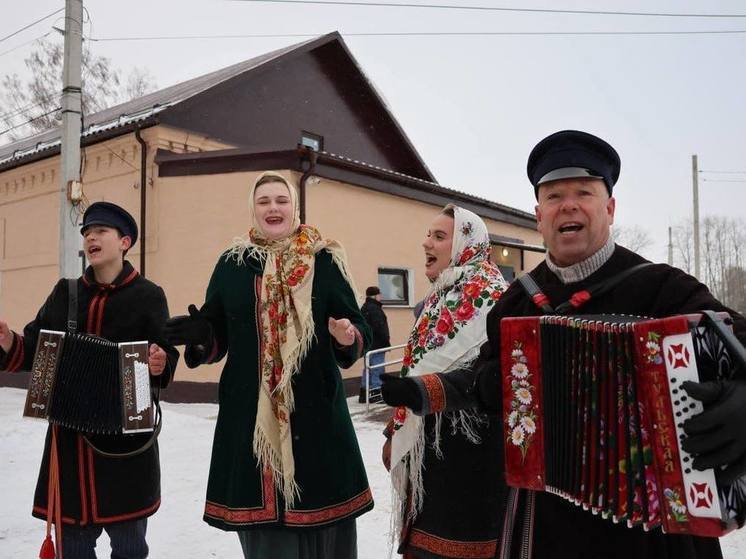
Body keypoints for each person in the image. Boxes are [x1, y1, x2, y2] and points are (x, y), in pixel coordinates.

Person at [381, 130, 746, 559]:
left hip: (653, 529)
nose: (568, 204)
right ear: (539, 216)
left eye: (584, 192)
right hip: (547, 521)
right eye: (554, 196)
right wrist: (429, 390)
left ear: (609, 208)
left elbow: (735, 343)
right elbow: (491, 379)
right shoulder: (517, 302)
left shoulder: (663, 289)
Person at [163, 171, 374, 559]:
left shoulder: (323, 260)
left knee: (327, 531)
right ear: (253, 209)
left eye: (281, 200)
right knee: (268, 540)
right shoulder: (232, 264)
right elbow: (217, 332)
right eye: (264, 201)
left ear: (294, 207)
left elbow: (358, 326)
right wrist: (201, 333)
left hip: (316, 416)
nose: (273, 208)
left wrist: (347, 335)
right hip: (252, 418)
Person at [0, 201, 179, 559]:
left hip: (126, 447)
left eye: (100, 231)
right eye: (86, 233)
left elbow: (163, 354)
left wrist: (160, 362)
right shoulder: (66, 294)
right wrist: (8, 343)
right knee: (73, 548)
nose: (91, 237)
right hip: (70, 447)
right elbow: (36, 349)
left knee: (129, 547)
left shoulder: (148, 295)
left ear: (124, 242)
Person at [381, 204, 507, 558]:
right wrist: (398, 428)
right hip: (430, 452)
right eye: (427, 234)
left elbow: (490, 377)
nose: (426, 244)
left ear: (466, 244)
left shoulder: (493, 298)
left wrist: (426, 393)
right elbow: (418, 368)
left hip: (472, 455)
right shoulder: (441, 298)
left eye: (439, 237)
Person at [360, 285, 390, 403]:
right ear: (375, 295)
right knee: (377, 368)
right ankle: (376, 393)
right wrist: (386, 341)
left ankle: (364, 393)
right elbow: (380, 327)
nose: (380, 297)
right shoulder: (375, 309)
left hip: (368, 344)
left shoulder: (364, 307)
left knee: (368, 368)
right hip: (378, 344)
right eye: (379, 294)